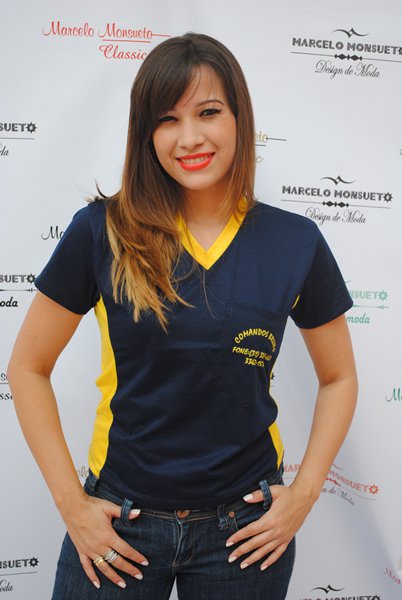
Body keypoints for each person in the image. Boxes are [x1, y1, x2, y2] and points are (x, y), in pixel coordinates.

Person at [7, 32, 357, 600]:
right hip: (119, 525)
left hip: (246, 533)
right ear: (146, 134)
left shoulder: (295, 242)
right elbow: (27, 367)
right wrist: (72, 504)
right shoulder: (102, 231)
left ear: (239, 117)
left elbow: (339, 377)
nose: (189, 137)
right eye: (167, 119)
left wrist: (303, 495)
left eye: (208, 112)